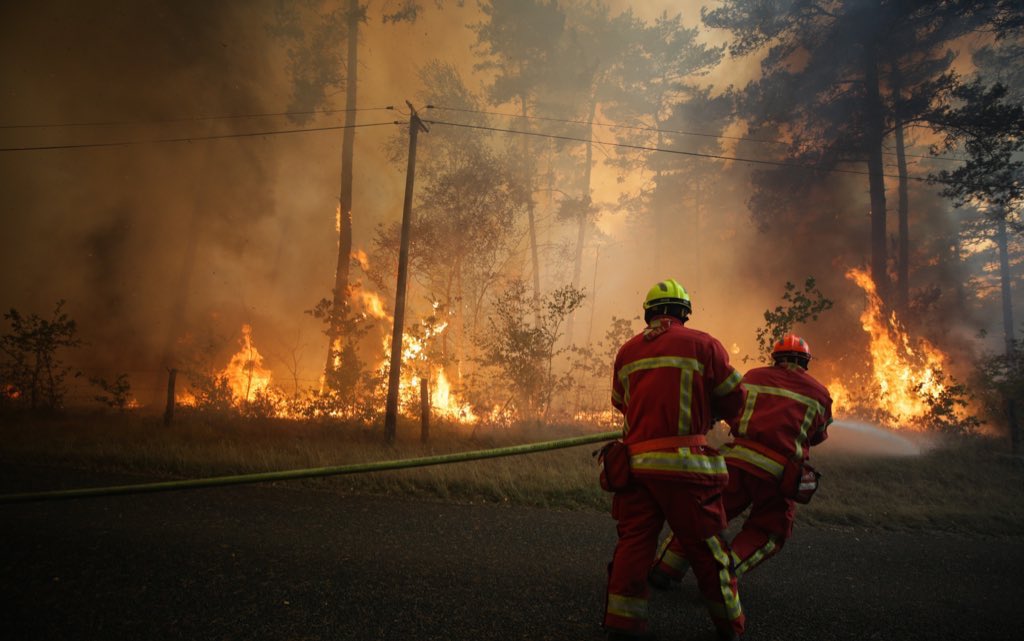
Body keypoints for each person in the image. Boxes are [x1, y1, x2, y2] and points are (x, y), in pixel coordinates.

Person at [604, 279, 747, 641]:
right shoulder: (704, 344)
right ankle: (730, 626)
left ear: (649, 313)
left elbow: (621, 402)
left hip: (637, 467)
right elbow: (735, 397)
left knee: (634, 544)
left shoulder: (627, 351)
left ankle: (622, 624)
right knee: (708, 548)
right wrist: (711, 413)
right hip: (685, 469)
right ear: (684, 313)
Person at [648, 333, 833, 590]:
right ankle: (724, 574)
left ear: (775, 358)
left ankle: (665, 568)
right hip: (778, 475)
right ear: (805, 362)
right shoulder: (820, 393)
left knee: (706, 515)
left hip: (736, 463)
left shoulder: (753, 376)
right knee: (769, 530)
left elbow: (732, 408)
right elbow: (818, 436)